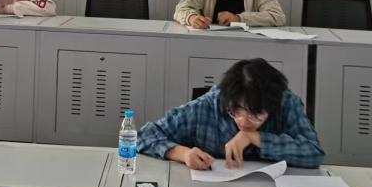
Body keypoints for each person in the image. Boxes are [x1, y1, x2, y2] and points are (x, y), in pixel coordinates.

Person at [137, 59, 324, 169]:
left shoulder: (287, 103)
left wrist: (256, 137)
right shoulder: (209, 105)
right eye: (235, 111)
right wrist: (183, 154)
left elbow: (314, 153)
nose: (243, 121)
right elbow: (143, 135)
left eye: (254, 115)